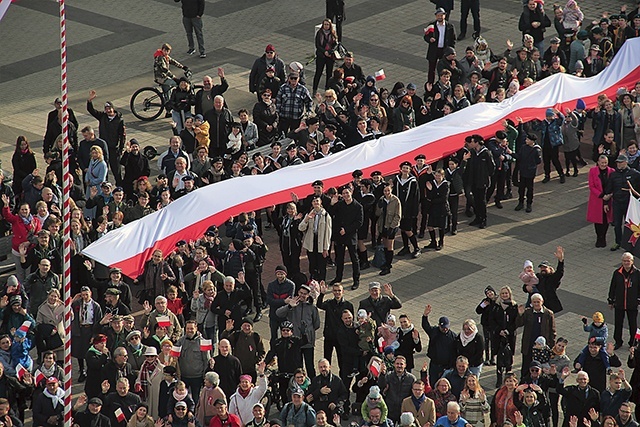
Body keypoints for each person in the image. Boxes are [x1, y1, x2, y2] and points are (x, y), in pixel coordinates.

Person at [86, 90, 126, 186]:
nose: (108, 111)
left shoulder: (119, 120)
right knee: (104, 169)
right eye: (106, 109)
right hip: (103, 148)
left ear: (113, 108)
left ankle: (120, 186)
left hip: (113, 148)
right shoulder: (103, 117)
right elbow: (92, 111)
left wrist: (121, 148)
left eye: (109, 108)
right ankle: (105, 186)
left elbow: (122, 135)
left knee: (116, 170)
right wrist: (89, 101)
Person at [328, 185, 364, 290]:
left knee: (354, 259)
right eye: (343, 193)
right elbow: (330, 214)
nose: (345, 195)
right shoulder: (339, 204)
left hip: (350, 235)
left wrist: (347, 230)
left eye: (347, 193)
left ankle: (356, 280)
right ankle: (338, 278)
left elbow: (359, 222)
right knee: (339, 258)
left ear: (351, 192)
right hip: (339, 235)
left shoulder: (358, 206)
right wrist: (332, 204)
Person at [603, 154, 640, 251]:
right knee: (617, 224)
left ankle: (630, 243)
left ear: (626, 162)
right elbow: (608, 189)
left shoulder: (634, 173)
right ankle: (618, 242)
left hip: (630, 204)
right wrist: (605, 203)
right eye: (617, 162)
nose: (618, 164)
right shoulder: (613, 175)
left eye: (621, 162)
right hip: (617, 203)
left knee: (630, 224)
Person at [608, 252, 640, 349]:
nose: (626, 263)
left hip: (632, 304)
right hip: (619, 303)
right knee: (618, 324)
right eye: (624, 261)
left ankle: (633, 342)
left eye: (628, 261)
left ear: (632, 261)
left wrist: (639, 300)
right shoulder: (617, 273)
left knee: (633, 324)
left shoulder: (637, 273)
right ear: (622, 261)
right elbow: (612, 287)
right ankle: (618, 341)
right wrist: (611, 301)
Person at [299, 197, 332, 281]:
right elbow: (301, 228)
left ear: (320, 202)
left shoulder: (326, 215)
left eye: (317, 201)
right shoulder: (309, 214)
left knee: (321, 265)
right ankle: (313, 280)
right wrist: (306, 219)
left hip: (321, 242)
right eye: (313, 201)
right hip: (311, 242)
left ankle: (321, 282)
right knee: (312, 263)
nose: (315, 202)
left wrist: (326, 248)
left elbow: (328, 233)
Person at [466, 134, 495, 229]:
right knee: (476, 200)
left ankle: (483, 219)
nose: (471, 143)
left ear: (477, 142)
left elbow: (492, 168)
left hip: (482, 181)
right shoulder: (473, 152)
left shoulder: (486, 153)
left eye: (473, 141)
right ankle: (477, 217)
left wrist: (485, 176)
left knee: (482, 201)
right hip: (474, 181)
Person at [378, 356, 416, 423]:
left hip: (404, 410)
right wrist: (382, 375)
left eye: (401, 364)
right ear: (394, 364)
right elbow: (381, 387)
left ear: (405, 365)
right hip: (390, 410)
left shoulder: (411, 378)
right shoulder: (388, 376)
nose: (399, 366)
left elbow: (413, 394)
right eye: (397, 363)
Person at [424, 8, 457, 85]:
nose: (440, 17)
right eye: (438, 15)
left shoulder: (450, 26)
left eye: (441, 15)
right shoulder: (432, 25)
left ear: (445, 16)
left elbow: (453, 40)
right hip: (434, 50)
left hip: (444, 51)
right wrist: (429, 39)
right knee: (432, 69)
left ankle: (442, 84)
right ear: (436, 16)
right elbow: (425, 36)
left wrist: (451, 51)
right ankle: (430, 84)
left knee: (444, 68)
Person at [514, 133, 542, 213]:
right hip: (523, 171)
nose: (526, 140)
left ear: (532, 141)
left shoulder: (536, 150)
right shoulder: (523, 147)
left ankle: (529, 204)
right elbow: (519, 156)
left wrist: (531, 164)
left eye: (527, 139)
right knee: (521, 188)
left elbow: (538, 161)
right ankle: (521, 202)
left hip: (530, 172)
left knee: (530, 188)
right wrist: (511, 154)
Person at [313, 19, 337, 94]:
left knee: (329, 73)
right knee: (318, 72)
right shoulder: (319, 33)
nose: (326, 26)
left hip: (330, 56)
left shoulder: (333, 33)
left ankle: (327, 89)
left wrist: (330, 51)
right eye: (325, 24)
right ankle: (314, 90)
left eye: (328, 24)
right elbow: (317, 45)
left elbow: (335, 44)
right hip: (321, 55)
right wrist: (324, 52)